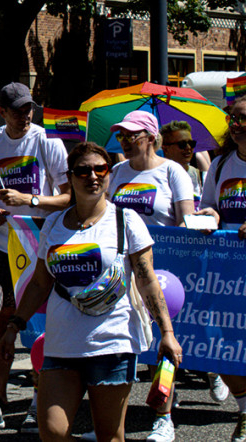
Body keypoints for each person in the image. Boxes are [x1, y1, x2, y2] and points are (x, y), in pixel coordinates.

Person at [0, 141, 182, 442]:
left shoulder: (126, 221)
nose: (93, 176)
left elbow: (147, 279)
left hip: (112, 341)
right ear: (70, 177)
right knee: (53, 432)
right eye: (83, 171)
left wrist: (167, 332)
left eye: (101, 169)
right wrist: (14, 325)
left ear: (109, 173)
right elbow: (40, 283)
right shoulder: (54, 223)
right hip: (62, 342)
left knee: (110, 436)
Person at [0, 82, 71, 438]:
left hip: (40, 243)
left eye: (29, 109)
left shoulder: (47, 141)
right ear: (2, 113)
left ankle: (40, 401)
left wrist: (31, 200)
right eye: (18, 110)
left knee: (40, 325)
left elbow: (69, 197)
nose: (25, 116)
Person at [107, 110, 194, 442]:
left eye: (132, 136)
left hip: (164, 271)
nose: (126, 142)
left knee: (163, 344)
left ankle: (164, 417)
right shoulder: (115, 172)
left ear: (151, 139)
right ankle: (114, 418)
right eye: (122, 137)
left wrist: (204, 218)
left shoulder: (173, 172)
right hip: (124, 271)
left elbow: (186, 222)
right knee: (123, 343)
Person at [160, 119, 230, 404]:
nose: (188, 148)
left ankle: (213, 372)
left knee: (200, 320)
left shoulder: (200, 173)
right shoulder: (163, 174)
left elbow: (212, 207)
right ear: (165, 148)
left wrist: (209, 215)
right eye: (181, 144)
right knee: (167, 326)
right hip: (171, 257)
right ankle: (166, 390)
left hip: (202, 257)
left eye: (191, 143)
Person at [197, 94, 246, 442]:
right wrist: (209, 216)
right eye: (233, 118)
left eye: (243, 117)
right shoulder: (221, 162)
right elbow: (211, 205)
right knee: (227, 343)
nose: (238, 124)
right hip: (228, 268)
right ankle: (245, 411)